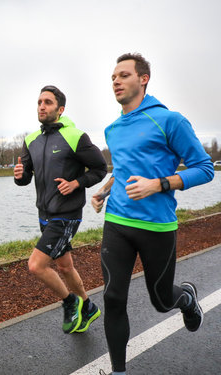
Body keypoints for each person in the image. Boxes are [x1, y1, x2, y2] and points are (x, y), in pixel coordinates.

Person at [92, 53, 214, 374]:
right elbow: (122, 168)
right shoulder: (113, 129)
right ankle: (119, 371)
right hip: (117, 223)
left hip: (157, 227)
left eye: (123, 75)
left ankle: (185, 299)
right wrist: (104, 192)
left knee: (161, 301)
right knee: (113, 298)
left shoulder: (170, 120)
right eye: (113, 77)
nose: (115, 81)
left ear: (143, 79)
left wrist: (158, 184)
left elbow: (204, 169)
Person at [14, 85, 107, 334]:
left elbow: (100, 169)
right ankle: (87, 307)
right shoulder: (31, 140)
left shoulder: (75, 136)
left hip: (66, 215)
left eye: (47, 102)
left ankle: (70, 301)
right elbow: (26, 178)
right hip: (44, 214)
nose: (41, 106)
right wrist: (19, 176)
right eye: (39, 102)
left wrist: (76, 183)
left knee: (36, 265)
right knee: (65, 267)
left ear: (60, 109)